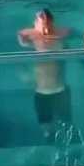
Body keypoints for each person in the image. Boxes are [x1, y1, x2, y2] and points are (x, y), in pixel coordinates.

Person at [18, 9, 71, 140]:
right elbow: (22, 39)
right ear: (35, 24)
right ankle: (50, 142)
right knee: (46, 127)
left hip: (60, 89)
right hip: (41, 92)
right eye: (41, 24)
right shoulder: (31, 38)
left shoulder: (60, 36)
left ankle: (68, 148)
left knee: (67, 125)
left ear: (52, 23)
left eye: (47, 24)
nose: (45, 29)